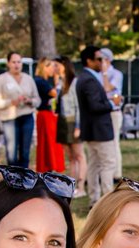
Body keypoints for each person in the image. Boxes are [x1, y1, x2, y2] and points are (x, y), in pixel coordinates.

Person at [75, 46, 116, 204]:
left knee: (94, 164)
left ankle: (95, 200)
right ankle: (107, 201)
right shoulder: (89, 80)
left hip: (92, 130)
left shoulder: (84, 78)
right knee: (107, 164)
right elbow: (95, 106)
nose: (102, 62)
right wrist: (112, 103)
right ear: (89, 61)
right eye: (99, 59)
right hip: (100, 130)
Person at [0, 52, 40, 169]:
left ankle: (24, 177)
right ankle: (12, 177)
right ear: (8, 63)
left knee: (25, 152)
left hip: (27, 117)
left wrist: (29, 101)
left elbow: (37, 99)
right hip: (10, 119)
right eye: (13, 62)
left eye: (19, 62)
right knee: (12, 154)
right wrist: (11, 102)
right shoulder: (1, 79)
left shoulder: (28, 79)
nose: (16, 65)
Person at [55, 56, 86, 197]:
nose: (55, 68)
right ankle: (71, 186)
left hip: (73, 121)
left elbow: (79, 106)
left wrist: (78, 126)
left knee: (79, 155)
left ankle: (81, 187)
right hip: (62, 122)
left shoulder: (74, 82)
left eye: (57, 65)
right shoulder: (60, 83)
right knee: (71, 157)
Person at [98, 48, 125, 181]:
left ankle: (116, 173)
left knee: (114, 142)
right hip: (101, 112)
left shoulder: (116, 74)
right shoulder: (96, 74)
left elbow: (107, 88)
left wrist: (104, 73)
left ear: (107, 60)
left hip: (113, 112)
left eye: (100, 59)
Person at [33, 57, 63, 173]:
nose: (53, 70)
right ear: (44, 67)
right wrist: (56, 80)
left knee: (50, 142)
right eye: (51, 67)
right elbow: (55, 93)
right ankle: (47, 167)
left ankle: (50, 167)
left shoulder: (43, 81)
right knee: (48, 142)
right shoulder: (40, 81)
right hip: (45, 114)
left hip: (47, 114)